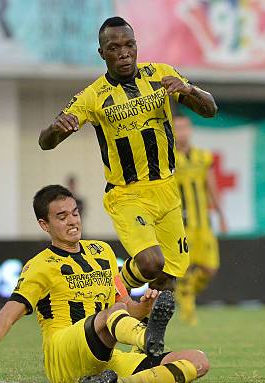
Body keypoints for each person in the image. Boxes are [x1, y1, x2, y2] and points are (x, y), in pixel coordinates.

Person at [38, 17, 217, 302]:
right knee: (150, 262)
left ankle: (150, 341)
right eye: (114, 47)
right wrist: (55, 129)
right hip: (127, 193)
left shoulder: (161, 74)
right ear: (102, 53)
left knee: (167, 276)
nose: (123, 52)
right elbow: (45, 142)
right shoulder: (92, 96)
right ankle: (111, 287)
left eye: (129, 44)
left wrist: (189, 90)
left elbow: (210, 109)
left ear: (136, 46)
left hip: (167, 188)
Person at [0, 185, 209, 383]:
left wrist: (144, 309)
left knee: (197, 362)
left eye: (75, 213)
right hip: (63, 355)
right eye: (61, 217)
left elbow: (124, 307)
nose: (72, 221)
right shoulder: (40, 265)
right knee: (111, 316)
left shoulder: (102, 252)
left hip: (105, 357)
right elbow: (11, 308)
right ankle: (147, 337)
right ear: (44, 225)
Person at [173, 112, 227, 325]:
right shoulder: (167, 159)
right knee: (184, 267)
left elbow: (211, 185)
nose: (182, 133)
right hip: (181, 223)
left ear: (190, 130)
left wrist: (222, 215)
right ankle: (188, 309)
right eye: (177, 128)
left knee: (210, 268)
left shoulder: (202, 157)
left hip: (203, 222)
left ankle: (186, 292)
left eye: (185, 128)